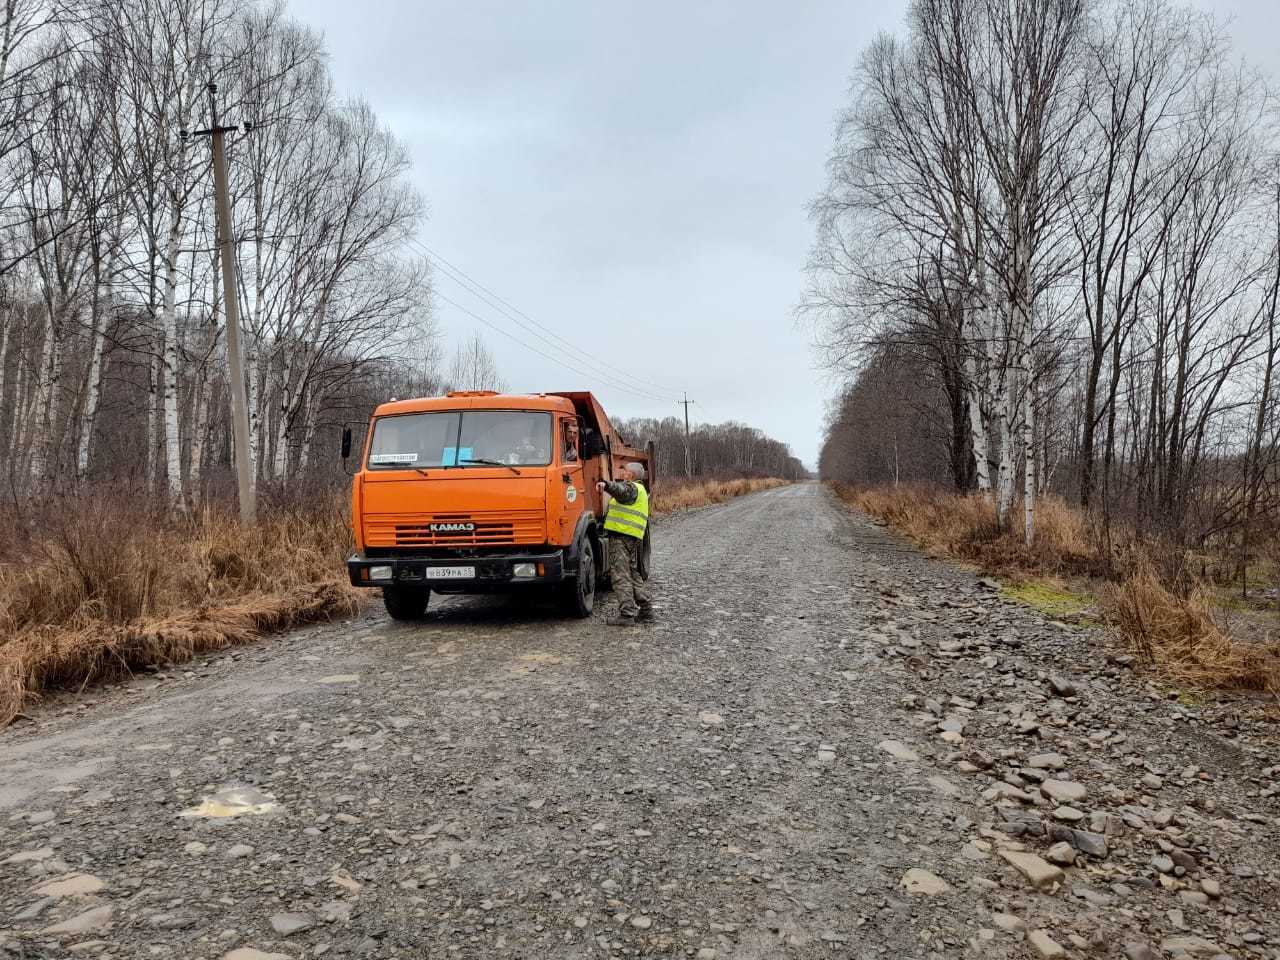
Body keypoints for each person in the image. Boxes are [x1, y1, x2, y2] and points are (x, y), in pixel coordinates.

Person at [597, 462, 653, 626]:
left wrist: (606, 485)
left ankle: (627, 614)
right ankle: (646, 610)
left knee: (620, 575)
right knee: (633, 573)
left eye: (626, 471)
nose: (623, 473)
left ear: (632, 475)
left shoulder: (631, 488)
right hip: (632, 537)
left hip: (621, 537)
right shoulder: (641, 490)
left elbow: (620, 490)